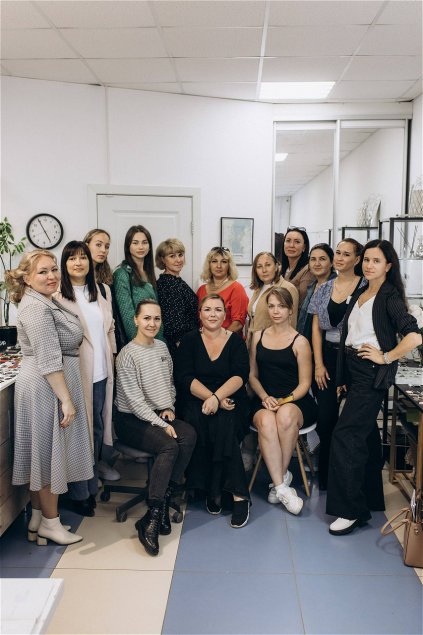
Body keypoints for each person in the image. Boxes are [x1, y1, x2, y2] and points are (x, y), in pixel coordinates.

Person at [327, 239, 421, 536]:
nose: (369, 265)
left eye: (376, 261)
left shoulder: (389, 296)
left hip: (370, 373)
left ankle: (350, 511)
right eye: (366, 259)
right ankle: (371, 499)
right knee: (366, 437)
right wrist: (343, 378)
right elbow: (350, 335)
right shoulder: (362, 290)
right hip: (353, 369)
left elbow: (414, 337)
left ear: (388, 265)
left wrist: (386, 357)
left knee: (345, 436)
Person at [5, 250, 93, 545]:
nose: (52, 276)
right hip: (47, 386)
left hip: (47, 383)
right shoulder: (36, 308)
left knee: (41, 452)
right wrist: (66, 400)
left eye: (54, 269)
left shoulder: (43, 300)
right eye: (43, 272)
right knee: (48, 455)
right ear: (27, 278)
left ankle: (38, 518)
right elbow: (49, 358)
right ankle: (51, 524)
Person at [114, 299, 196, 556]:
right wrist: (162, 425)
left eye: (156, 318)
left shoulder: (161, 347)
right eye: (147, 318)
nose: (152, 323)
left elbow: (169, 383)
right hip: (130, 419)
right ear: (136, 320)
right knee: (169, 445)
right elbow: (135, 403)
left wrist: (168, 406)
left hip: (157, 413)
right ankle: (152, 516)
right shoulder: (127, 355)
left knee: (189, 435)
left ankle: (162, 497)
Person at [176, 294, 251, 528]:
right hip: (196, 398)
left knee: (226, 422)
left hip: (230, 397)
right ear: (199, 314)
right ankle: (213, 489)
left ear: (225, 314)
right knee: (199, 419)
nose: (212, 314)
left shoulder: (236, 342)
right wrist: (211, 398)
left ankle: (237, 496)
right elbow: (184, 376)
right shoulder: (189, 340)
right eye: (207, 309)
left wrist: (218, 398)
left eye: (218, 310)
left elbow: (240, 375)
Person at [56, 241, 117, 515]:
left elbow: (110, 328)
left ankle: (90, 485)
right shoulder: (57, 296)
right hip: (76, 374)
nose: (78, 263)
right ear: (64, 264)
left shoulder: (101, 290)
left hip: (101, 373)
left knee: (96, 430)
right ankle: (79, 493)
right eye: (72, 258)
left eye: (83, 257)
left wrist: (112, 356)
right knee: (79, 434)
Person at [249, 287, 317, 515]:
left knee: (285, 416)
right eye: (271, 306)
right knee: (267, 421)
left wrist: (284, 400)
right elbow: (252, 376)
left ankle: (278, 478)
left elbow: (305, 384)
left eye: (281, 306)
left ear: (290, 310)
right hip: (264, 398)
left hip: (295, 400)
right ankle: (281, 485)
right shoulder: (257, 336)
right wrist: (265, 397)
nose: (276, 311)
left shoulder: (300, 342)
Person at [307, 238, 364, 490]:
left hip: (355, 358)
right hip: (328, 358)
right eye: (338, 253)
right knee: (326, 417)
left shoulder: (365, 286)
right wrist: (318, 364)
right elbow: (316, 329)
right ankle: (327, 478)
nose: (340, 258)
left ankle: (351, 478)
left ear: (357, 259)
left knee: (353, 422)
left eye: (346, 254)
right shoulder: (324, 288)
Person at [113, 225, 164, 343]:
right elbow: (127, 315)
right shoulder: (122, 274)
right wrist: (140, 344)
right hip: (138, 342)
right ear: (128, 246)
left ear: (149, 246)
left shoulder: (149, 273)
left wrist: (159, 341)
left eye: (144, 242)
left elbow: (156, 310)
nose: (140, 247)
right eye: (135, 243)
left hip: (156, 338)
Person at [156, 238, 198, 358]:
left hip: (188, 342)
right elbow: (173, 325)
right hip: (180, 346)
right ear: (162, 259)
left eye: (180, 254)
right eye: (172, 256)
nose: (178, 260)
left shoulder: (176, 281)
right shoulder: (167, 285)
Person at [247, 251, 299, 345]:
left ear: (276, 267)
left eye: (268, 265)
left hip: (273, 344)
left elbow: (291, 323)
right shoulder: (258, 289)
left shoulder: (288, 288)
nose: (264, 270)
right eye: (259, 266)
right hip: (253, 342)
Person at [196, 247, 248, 335]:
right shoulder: (201, 290)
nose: (218, 266)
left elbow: (238, 324)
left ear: (229, 266)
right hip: (204, 339)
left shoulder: (237, 288)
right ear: (209, 265)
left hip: (228, 340)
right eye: (214, 261)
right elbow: (198, 321)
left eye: (224, 262)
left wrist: (219, 339)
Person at [297, 243, 336, 343]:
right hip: (306, 344)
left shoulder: (336, 286)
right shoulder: (311, 287)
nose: (317, 263)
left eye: (322, 259)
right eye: (313, 259)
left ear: (331, 263)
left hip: (326, 346)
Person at [281, 227, 315, 306]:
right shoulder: (280, 269)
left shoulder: (308, 270)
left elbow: (302, 299)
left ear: (304, 247)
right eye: (288, 241)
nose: (291, 245)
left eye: (297, 242)